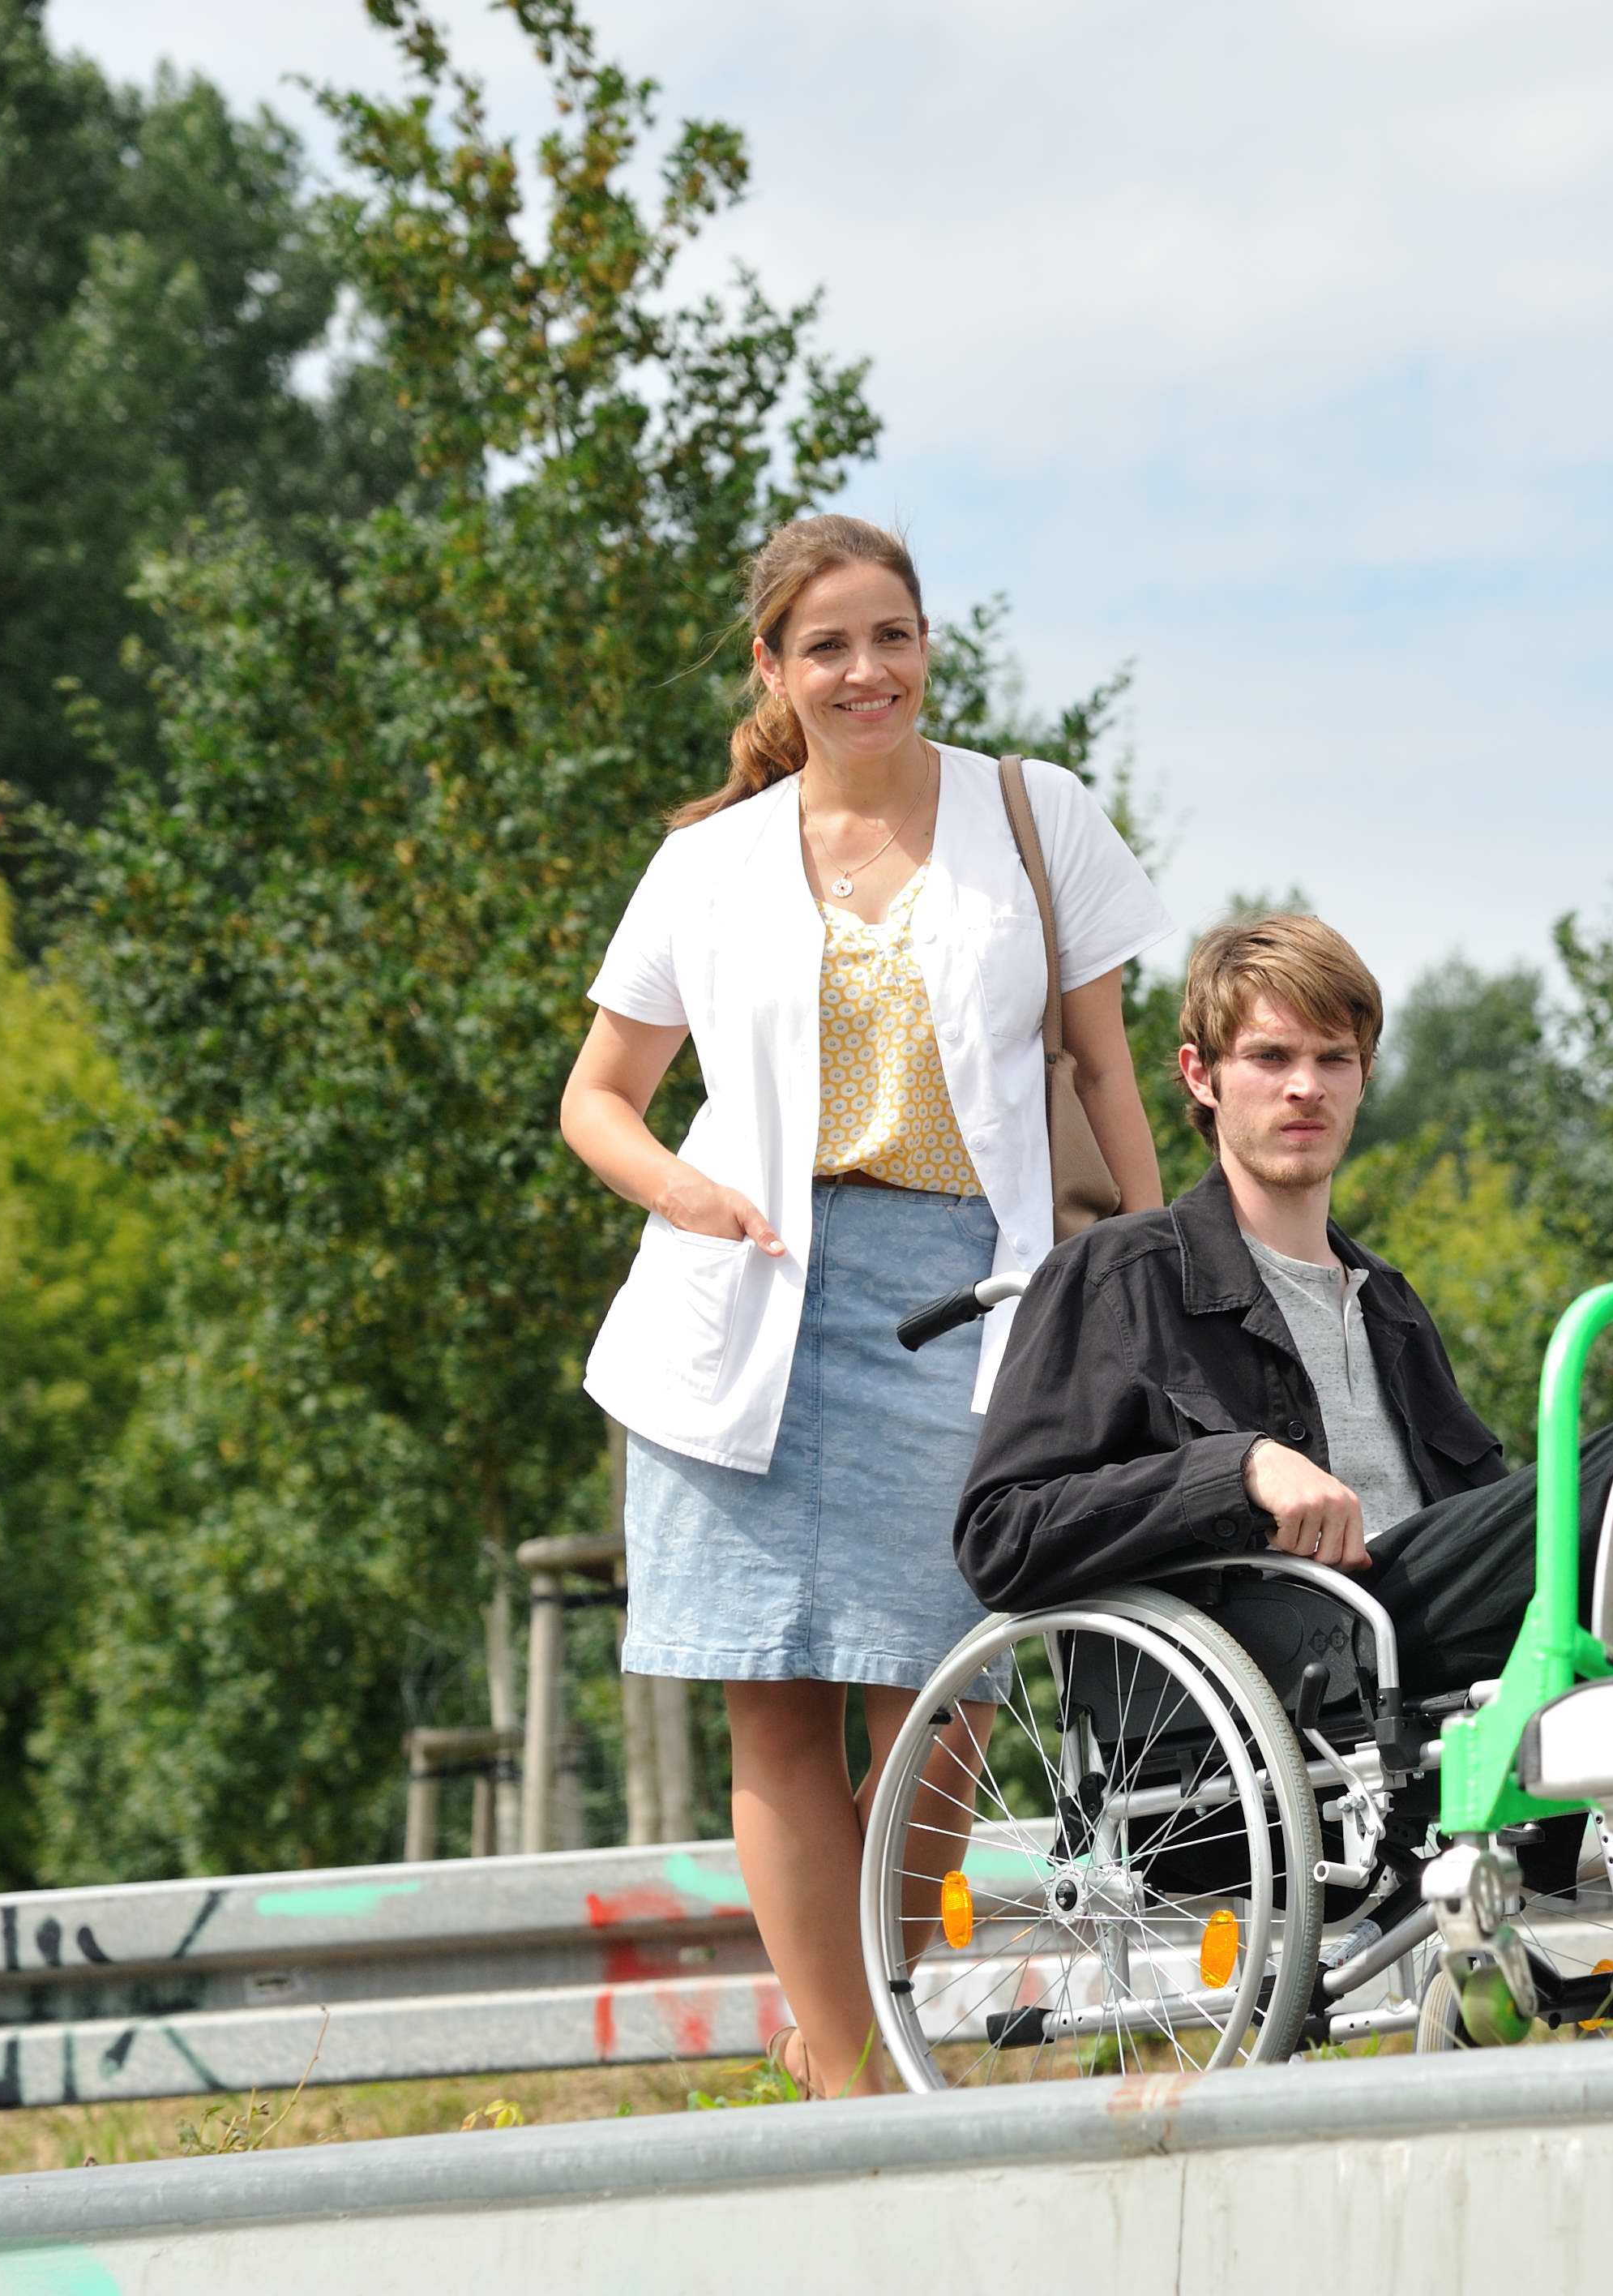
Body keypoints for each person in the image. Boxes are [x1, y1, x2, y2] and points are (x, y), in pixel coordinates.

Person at [558, 513, 1174, 2096]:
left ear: (926, 646)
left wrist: (1164, 1274)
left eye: (889, 635)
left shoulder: (1032, 815)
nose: (865, 670)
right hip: (749, 1298)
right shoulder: (705, 867)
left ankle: (862, 1998)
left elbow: (1102, 1065)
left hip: (974, 1300)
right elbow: (599, 1099)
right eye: (826, 645)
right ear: (774, 669)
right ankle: (855, 2083)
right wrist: (680, 1192)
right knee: (775, 1708)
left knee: (949, 1700)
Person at [955, 913, 1613, 1700]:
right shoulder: (1118, 1276)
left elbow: (1479, 1519)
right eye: (1269, 1057)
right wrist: (1234, 1470)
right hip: (1293, 1663)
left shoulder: (1392, 1307)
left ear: (1363, 1077)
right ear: (1201, 1076)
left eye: (1332, 1059)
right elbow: (1001, 1536)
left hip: (1452, 1657)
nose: (1304, 1086)